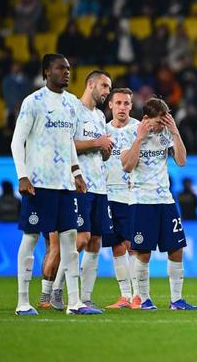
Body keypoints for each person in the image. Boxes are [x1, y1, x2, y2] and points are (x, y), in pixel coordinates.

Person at [10, 53, 100, 315]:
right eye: (61, 68)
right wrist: (22, 175)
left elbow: (68, 141)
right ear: (47, 72)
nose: (67, 72)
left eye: (68, 69)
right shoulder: (33, 102)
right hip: (38, 184)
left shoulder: (72, 103)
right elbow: (17, 141)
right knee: (30, 237)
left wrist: (77, 172)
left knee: (70, 240)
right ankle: (23, 302)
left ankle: (74, 302)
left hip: (65, 185)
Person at [121, 97, 197, 311]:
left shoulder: (167, 132)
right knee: (143, 252)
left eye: (164, 122)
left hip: (165, 199)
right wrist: (140, 138)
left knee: (176, 249)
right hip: (141, 200)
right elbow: (127, 166)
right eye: (158, 123)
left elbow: (181, 161)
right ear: (146, 118)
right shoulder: (129, 132)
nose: (160, 127)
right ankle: (143, 299)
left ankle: (177, 300)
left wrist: (175, 132)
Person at [51, 70, 113, 311]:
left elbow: (101, 154)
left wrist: (105, 150)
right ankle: (57, 288)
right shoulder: (73, 109)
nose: (107, 92)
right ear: (90, 84)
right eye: (104, 86)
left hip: (100, 185)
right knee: (81, 238)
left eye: (109, 88)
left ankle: (85, 297)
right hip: (79, 184)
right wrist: (96, 143)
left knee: (96, 240)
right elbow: (65, 143)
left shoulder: (99, 115)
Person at [102, 88, 141, 309]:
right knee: (116, 246)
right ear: (110, 105)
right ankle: (125, 296)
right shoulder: (103, 130)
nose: (122, 107)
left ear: (131, 106)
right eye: (118, 103)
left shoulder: (138, 129)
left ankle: (138, 295)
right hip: (108, 195)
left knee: (132, 245)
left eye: (126, 103)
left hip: (131, 195)